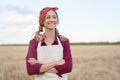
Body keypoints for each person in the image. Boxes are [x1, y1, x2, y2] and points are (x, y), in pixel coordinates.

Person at [26, 7, 73, 80]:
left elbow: (68, 67)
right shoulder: (34, 42)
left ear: (57, 20)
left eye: (54, 17)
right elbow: (30, 70)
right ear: (42, 22)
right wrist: (56, 63)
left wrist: (39, 66)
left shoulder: (64, 41)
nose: (52, 20)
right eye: (48, 17)